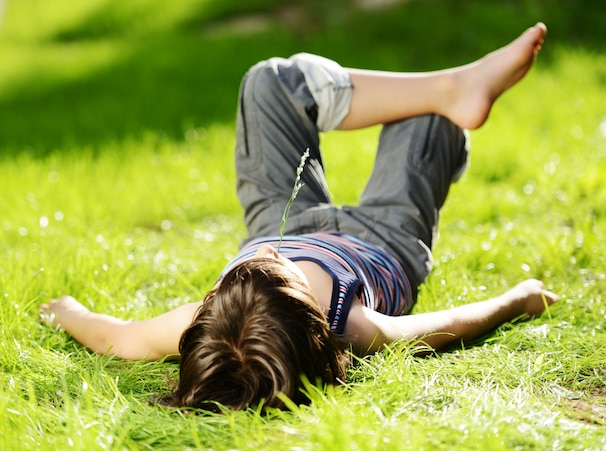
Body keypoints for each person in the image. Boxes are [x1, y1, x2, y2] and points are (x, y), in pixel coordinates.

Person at [40, 23, 559, 412]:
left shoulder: (208, 320)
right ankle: (449, 98)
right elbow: (451, 324)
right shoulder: (355, 326)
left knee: (269, 83)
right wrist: (520, 299)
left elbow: (118, 337)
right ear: (309, 312)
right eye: (273, 268)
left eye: (241, 272)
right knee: (428, 120)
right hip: (384, 238)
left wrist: (67, 312)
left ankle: (452, 87)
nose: (265, 256)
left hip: (282, 218)